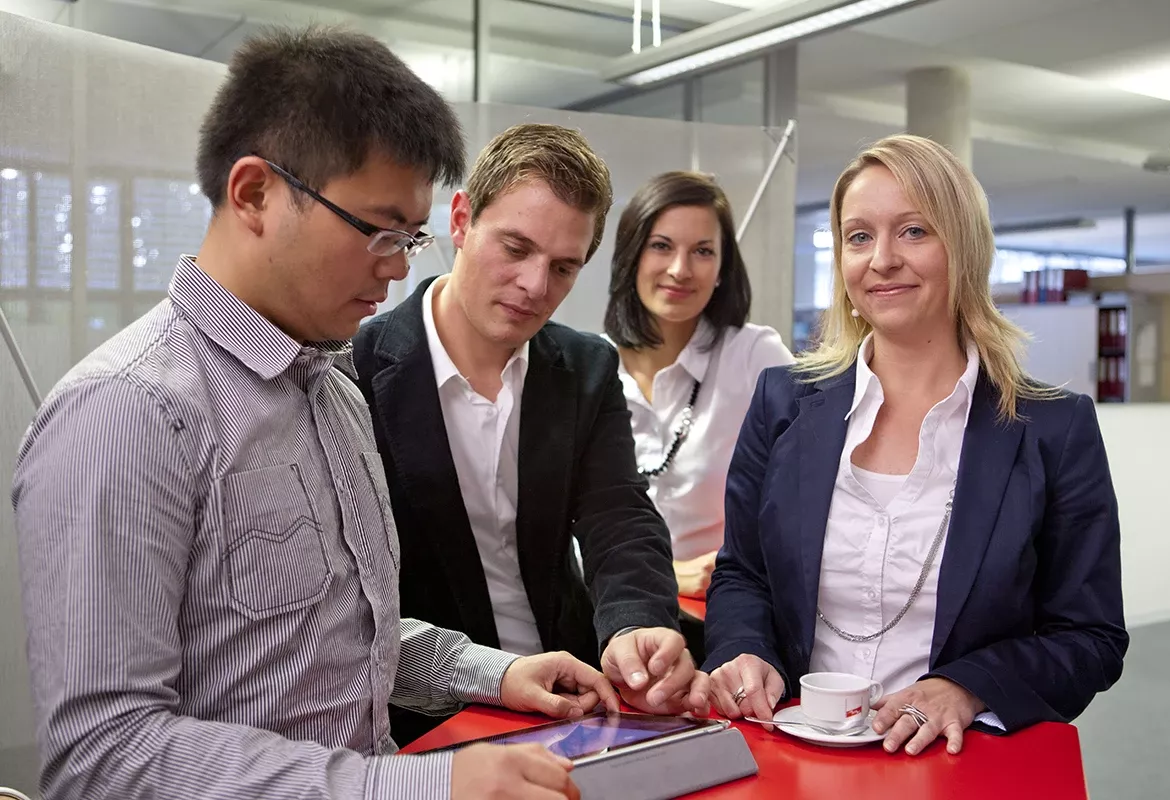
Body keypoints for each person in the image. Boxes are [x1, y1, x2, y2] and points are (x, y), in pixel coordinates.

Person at [12, 27, 620, 800]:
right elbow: (104, 753)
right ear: (255, 194)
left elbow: (341, 636)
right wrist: (418, 788)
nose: (401, 268)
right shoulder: (128, 413)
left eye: (412, 236)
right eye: (379, 231)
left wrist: (496, 672)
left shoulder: (333, 391)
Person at [703, 134, 1128, 757]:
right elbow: (743, 572)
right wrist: (744, 649)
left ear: (964, 247)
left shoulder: (1053, 429)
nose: (881, 260)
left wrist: (968, 687)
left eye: (913, 231)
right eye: (858, 237)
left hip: (955, 762)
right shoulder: (782, 402)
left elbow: (1089, 636)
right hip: (794, 749)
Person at [353, 124, 709, 745]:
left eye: (564, 266)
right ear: (460, 221)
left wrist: (634, 625)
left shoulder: (585, 368)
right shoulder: (354, 372)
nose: (536, 286)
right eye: (515, 248)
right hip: (427, 711)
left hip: (575, 690)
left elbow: (618, 516)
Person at [603, 171, 793, 604]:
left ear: (723, 268)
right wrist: (664, 574)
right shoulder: (592, 366)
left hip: (721, 609)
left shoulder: (754, 356)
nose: (679, 269)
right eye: (661, 246)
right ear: (632, 255)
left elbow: (805, 495)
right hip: (606, 606)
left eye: (702, 251)